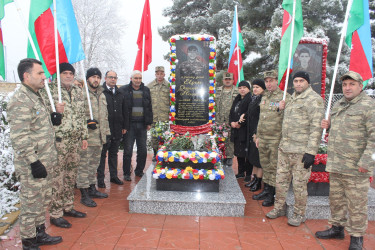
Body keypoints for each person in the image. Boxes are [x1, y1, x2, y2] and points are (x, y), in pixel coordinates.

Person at [315, 71, 375, 250]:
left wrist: (367, 161)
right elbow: (342, 127)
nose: (347, 88)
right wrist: (329, 125)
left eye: (352, 84)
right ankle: (337, 228)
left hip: (356, 167)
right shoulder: (339, 104)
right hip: (337, 163)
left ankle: (357, 237)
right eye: (345, 85)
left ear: (360, 86)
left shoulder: (368, 106)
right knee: (336, 199)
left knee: (356, 204)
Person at [7, 58, 63, 249]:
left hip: (45, 160)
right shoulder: (20, 99)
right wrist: (33, 162)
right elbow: (19, 136)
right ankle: (28, 241)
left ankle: (40, 233)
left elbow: (36, 126)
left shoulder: (36, 96)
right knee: (31, 203)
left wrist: (53, 119)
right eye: (39, 73)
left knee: (42, 199)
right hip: (33, 164)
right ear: (26, 75)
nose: (44, 77)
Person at [266, 71, 324, 227]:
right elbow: (278, 114)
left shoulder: (314, 100)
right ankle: (279, 208)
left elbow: (316, 128)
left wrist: (311, 152)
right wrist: (280, 108)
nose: (298, 84)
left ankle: (299, 213)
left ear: (308, 83)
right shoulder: (291, 98)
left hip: (301, 152)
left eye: (301, 81)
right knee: (281, 182)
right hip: (284, 149)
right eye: (296, 81)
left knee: (299, 185)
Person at [41, 63, 89, 228]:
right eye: (65, 73)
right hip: (58, 141)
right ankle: (55, 213)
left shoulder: (77, 91)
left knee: (70, 176)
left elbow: (82, 114)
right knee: (57, 178)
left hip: (74, 141)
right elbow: (42, 115)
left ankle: (68, 206)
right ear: (59, 74)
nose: (68, 76)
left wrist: (84, 135)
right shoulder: (50, 91)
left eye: (71, 73)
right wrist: (55, 112)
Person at [253, 70, 289, 207]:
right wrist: (258, 136)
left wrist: (282, 109)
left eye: (271, 81)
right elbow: (261, 119)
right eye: (266, 81)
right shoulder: (265, 96)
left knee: (274, 167)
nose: (268, 84)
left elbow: (289, 118)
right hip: (263, 138)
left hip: (276, 138)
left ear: (276, 81)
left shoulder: (284, 97)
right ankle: (266, 189)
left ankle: (272, 194)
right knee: (265, 165)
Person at [77, 67, 110, 207]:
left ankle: (92, 188)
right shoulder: (81, 94)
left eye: (98, 77)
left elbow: (105, 116)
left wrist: (106, 134)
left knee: (94, 165)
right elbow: (76, 115)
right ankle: (84, 194)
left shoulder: (102, 94)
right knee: (84, 166)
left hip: (99, 137)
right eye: (93, 77)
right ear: (87, 78)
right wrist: (86, 123)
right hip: (87, 138)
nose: (95, 80)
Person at [120, 70, 153, 181]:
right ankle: (126, 173)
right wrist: (123, 125)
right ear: (131, 79)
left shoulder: (146, 90)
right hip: (129, 125)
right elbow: (121, 109)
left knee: (142, 150)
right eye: (136, 78)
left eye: (139, 78)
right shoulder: (123, 90)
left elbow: (149, 108)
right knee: (128, 151)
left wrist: (149, 122)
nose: (138, 80)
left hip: (142, 125)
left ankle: (139, 171)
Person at [97, 70, 127, 188]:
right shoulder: (100, 92)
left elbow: (125, 111)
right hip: (104, 129)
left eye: (115, 77)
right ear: (105, 78)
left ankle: (113, 176)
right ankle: (100, 179)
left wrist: (125, 126)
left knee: (114, 154)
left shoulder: (120, 93)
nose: (113, 79)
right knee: (102, 155)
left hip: (117, 128)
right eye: (110, 77)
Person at [242, 79, 266, 191]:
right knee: (254, 157)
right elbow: (251, 112)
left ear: (263, 88)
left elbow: (262, 118)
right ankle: (254, 179)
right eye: (254, 87)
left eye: (258, 87)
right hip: (251, 132)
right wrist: (244, 115)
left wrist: (257, 133)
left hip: (258, 132)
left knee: (258, 159)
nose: (255, 89)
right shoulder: (254, 98)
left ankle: (258, 181)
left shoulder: (263, 99)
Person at [229, 80, 253, 182]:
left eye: (244, 88)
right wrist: (232, 122)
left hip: (245, 130)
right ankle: (240, 172)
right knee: (238, 152)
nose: (242, 90)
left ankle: (248, 174)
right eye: (240, 88)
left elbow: (249, 114)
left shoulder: (250, 99)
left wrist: (240, 123)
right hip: (236, 130)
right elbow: (231, 112)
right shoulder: (237, 99)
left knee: (246, 152)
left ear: (248, 89)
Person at [216, 72, 238, 167]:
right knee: (219, 138)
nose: (228, 81)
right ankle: (220, 156)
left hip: (231, 120)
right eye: (226, 79)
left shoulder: (237, 91)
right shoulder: (217, 90)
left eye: (229, 79)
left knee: (230, 139)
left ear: (233, 80)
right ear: (223, 80)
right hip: (219, 119)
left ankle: (229, 157)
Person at [148, 66, 170, 161]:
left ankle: (164, 153)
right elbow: (147, 103)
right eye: (158, 73)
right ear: (155, 74)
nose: (160, 75)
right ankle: (155, 153)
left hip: (165, 116)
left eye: (161, 73)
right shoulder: (150, 86)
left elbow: (172, 101)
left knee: (165, 136)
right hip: (154, 116)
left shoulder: (169, 86)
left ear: (164, 74)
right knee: (154, 137)